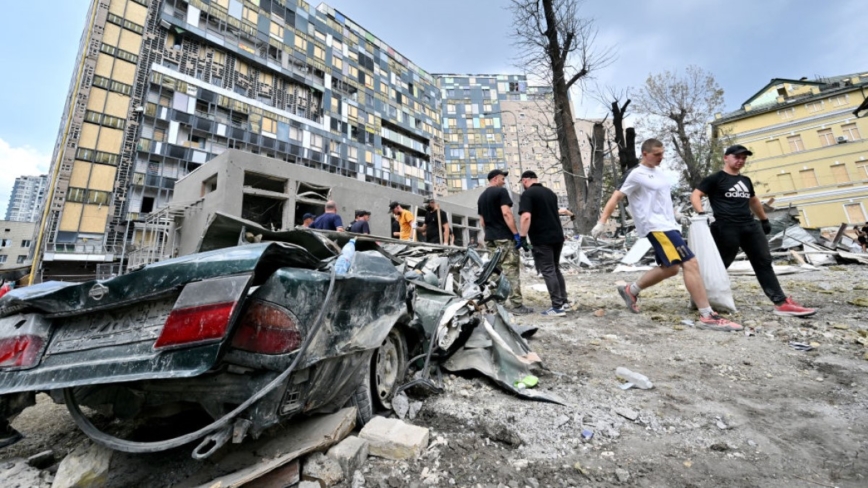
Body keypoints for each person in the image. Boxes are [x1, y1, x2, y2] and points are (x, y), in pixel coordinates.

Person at [593, 138, 742, 331]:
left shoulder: (659, 173)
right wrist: (601, 222)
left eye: (662, 153)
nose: (661, 158)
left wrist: (676, 215)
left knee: (671, 268)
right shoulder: (636, 174)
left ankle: (631, 290)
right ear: (644, 154)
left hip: (668, 224)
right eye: (657, 154)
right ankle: (707, 315)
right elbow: (616, 196)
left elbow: (661, 200)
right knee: (690, 263)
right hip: (656, 227)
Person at [691, 144, 817, 317]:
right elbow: (695, 195)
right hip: (725, 228)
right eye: (737, 157)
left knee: (763, 262)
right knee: (719, 265)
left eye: (743, 158)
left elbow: (754, 201)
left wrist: (764, 219)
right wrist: (701, 214)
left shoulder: (745, 181)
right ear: (726, 158)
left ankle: (780, 302)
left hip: (750, 226)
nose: (740, 161)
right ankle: (699, 299)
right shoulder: (715, 178)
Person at [478, 169, 532, 314]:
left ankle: (498, 304)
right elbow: (507, 213)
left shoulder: (481, 197)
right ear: (495, 179)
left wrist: (490, 234)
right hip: (504, 237)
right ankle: (516, 305)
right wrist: (516, 234)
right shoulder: (500, 192)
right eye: (502, 179)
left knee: (495, 271)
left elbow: (482, 222)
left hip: (490, 238)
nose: (504, 182)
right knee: (511, 270)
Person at [518, 171, 568, 316]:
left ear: (525, 180)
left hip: (542, 238)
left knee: (548, 270)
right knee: (555, 269)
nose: (522, 185)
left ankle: (557, 307)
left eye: (522, 182)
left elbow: (526, 216)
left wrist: (522, 237)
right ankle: (564, 302)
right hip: (557, 236)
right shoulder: (550, 193)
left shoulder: (528, 195)